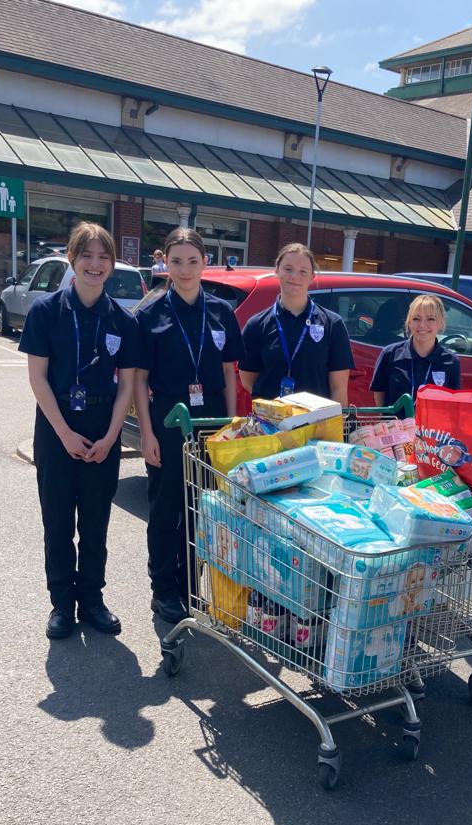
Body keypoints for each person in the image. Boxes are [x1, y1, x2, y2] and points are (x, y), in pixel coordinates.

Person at [19, 222, 140, 639]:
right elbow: (38, 379)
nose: (95, 264)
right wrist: (66, 434)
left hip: (102, 428)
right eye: (86, 255)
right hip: (57, 431)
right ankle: (61, 605)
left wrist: (111, 438)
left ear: (112, 265)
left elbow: (127, 384)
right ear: (72, 259)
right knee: (57, 522)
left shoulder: (122, 320)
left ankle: (91, 600)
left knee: (95, 523)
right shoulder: (46, 311)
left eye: (103, 257)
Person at [135, 227, 244, 624]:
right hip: (167, 419)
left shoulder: (220, 312)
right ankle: (164, 590)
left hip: (212, 422)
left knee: (203, 507)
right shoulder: (150, 314)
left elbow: (230, 373)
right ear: (164, 261)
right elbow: (138, 380)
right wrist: (146, 434)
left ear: (205, 263)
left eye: (192, 261)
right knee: (166, 508)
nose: (183, 269)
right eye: (175, 261)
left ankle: (190, 586)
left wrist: (231, 427)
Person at [238, 243, 353, 404]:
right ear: (276, 270)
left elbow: (338, 388)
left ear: (312, 276)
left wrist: (335, 425)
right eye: (288, 269)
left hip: (316, 423)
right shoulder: (256, 325)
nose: (294, 276)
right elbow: (248, 380)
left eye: (303, 271)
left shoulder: (332, 324)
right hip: (271, 424)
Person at [370, 293, 460, 407]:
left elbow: (452, 404)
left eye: (430, 319)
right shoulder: (390, 354)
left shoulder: (451, 361)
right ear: (409, 322)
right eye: (416, 318)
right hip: (396, 424)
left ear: (440, 323)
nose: (422, 325)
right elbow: (379, 393)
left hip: (432, 425)